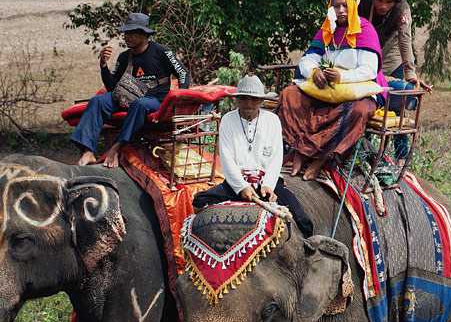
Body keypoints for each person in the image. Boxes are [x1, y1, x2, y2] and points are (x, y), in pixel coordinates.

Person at [277, 0, 386, 182]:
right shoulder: (328, 29)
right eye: (336, 6)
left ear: (354, 5)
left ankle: (323, 159)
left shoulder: (365, 29)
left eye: (345, 5)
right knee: (290, 95)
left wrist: (341, 77)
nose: (341, 10)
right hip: (327, 89)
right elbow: (308, 59)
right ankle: (300, 150)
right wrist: (314, 72)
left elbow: (369, 70)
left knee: (358, 111)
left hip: (356, 90)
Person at [192, 76, 313, 237]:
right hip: (237, 183)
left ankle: (310, 248)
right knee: (199, 201)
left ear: (261, 101)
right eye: (244, 99)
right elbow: (227, 158)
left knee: (302, 218)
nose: (248, 104)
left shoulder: (272, 120)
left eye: (253, 100)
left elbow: (277, 156)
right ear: (237, 100)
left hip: (266, 184)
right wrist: (242, 187)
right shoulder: (228, 120)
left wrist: (269, 184)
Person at [71, 12, 191, 168]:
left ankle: (116, 147)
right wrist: (103, 65)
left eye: (132, 33)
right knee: (97, 101)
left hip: (154, 101)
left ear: (144, 35)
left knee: (140, 104)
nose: (127, 37)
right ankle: (87, 151)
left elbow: (183, 73)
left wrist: (179, 97)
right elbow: (112, 87)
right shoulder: (124, 57)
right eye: (126, 33)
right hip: (125, 98)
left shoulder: (162, 52)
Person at [359, 0, 430, 160]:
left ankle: (400, 158)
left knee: (398, 109)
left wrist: (411, 74)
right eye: (379, 0)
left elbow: (405, 41)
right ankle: (364, 152)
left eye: (388, 2)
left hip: (393, 59)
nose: (383, 6)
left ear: (395, 2)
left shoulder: (402, 9)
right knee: (369, 105)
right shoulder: (363, 3)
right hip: (369, 59)